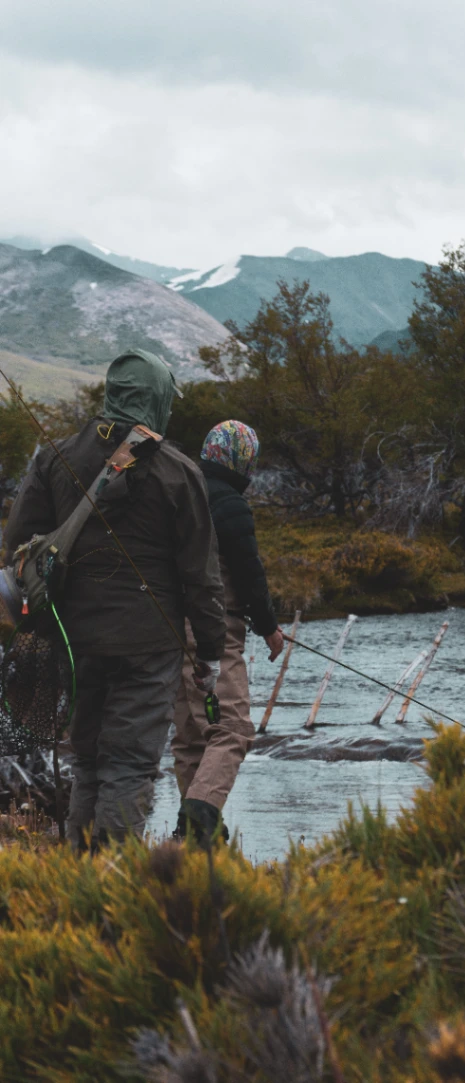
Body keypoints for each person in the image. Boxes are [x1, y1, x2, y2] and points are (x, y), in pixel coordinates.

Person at [4, 350, 226, 851]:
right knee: (129, 762)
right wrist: (210, 652)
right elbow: (201, 576)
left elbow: (18, 542)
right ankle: (112, 873)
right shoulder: (178, 470)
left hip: (73, 640)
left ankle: (81, 869)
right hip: (149, 645)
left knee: (87, 758)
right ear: (158, 399)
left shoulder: (54, 457)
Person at [172, 420, 284, 844]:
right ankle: (196, 826)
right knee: (233, 729)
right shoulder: (229, 503)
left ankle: (198, 842)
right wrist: (270, 628)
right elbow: (249, 572)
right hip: (215, 630)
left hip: (171, 628)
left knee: (190, 738)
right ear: (243, 461)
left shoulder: (180, 491)